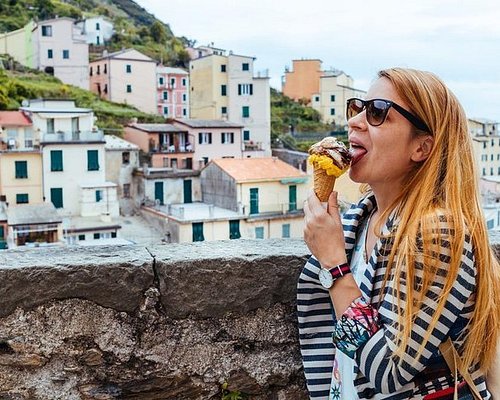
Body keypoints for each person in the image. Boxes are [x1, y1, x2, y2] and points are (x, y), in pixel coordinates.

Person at [298, 67, 500, 400]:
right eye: (358, 108)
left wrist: (334, 266)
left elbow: (389, 372)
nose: (355, 121)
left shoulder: (439, 234)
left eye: (377, 112)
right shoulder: (359, 221)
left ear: (421, 147)